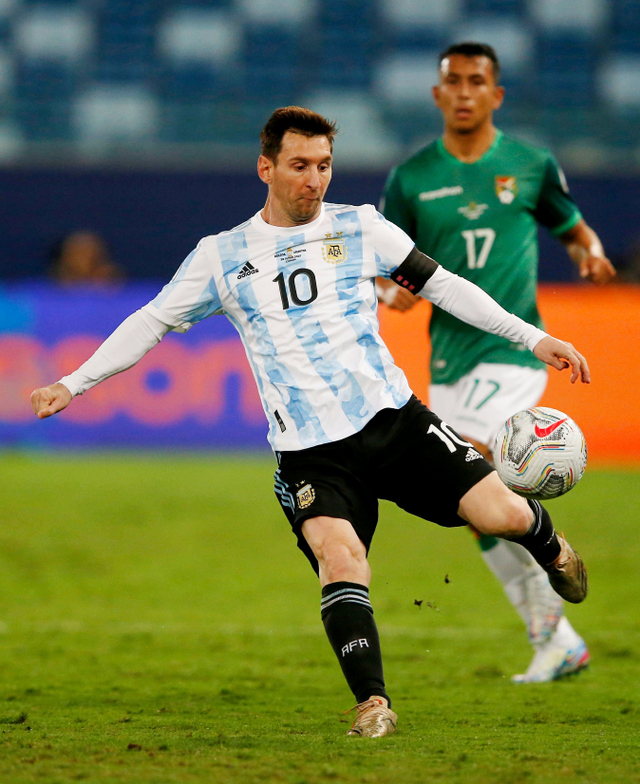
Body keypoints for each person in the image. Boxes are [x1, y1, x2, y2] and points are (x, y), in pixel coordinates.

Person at [31, 106, 590, 738]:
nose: (314, 180)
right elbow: (151, 322)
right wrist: (73, 382)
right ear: (265, 167)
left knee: (505, 516)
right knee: (341, 559)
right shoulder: (221, 257)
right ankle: (373, 703)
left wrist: (533, 339)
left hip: (397, 424)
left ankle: (554, 547)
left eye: (324, 165)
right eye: (300, 166)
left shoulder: (362, 229)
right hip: (311, 455)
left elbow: (446, 288)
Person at [378, 42, 615, 683]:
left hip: (514, 351)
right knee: (472, 502)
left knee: (484, 463)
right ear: (436, 94)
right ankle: (553, 634)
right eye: (451, 81)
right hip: (448, 362)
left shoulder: (530, 165)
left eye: (475, 81)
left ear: (495, 94)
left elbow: (572, 225)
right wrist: (388, 293)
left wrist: (589, 252)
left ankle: (553, 601)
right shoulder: (410, 178)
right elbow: (384, 268)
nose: (462, 92)